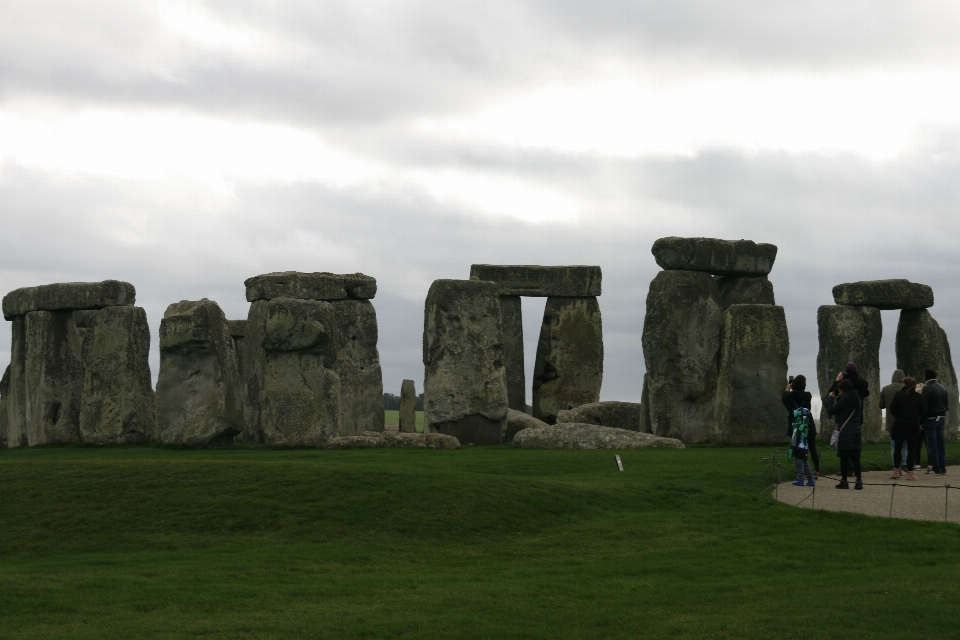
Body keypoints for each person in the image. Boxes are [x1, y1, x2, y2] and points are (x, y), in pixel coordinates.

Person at [824, 378, 863, 489]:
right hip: (856, 431)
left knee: (844, 457)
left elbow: (831, 410)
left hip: (845, 431)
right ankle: (859, 481)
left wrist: (830, 400)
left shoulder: (844, 400)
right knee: (856, 458)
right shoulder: (857, 399)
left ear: (842, 390)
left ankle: (844, 481)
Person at [782, 375, 819, 478]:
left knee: (799, 449)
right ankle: (816, 470)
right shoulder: (808, 395)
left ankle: (802, 473)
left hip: (796, 426)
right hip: (808, 424)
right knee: (812, 448)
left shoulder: (789, 396)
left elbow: (784, 399)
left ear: (793, 384)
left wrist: (787, 389)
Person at [888, 377, 924, 480]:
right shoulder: (918, 397)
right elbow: (922, 411)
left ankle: (896, 470)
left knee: (898, 448)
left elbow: (892, 408)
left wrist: (898, 416)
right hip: (912, 424)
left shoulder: (898, 395)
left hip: (900, 423)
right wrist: (917, 418)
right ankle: (910, 473)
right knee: (911, 449)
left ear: (904, 384)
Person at [921, 369, 949, 475]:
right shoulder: (943, 388)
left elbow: (925, 406)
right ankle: (942, 468)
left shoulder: (927, 388)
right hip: (941, 417)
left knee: (932, 445)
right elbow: (946, 405)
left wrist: (921, 421)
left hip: (931, 418)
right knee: (940, 444)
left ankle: (935, 468)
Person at [879, 369, 907, 467]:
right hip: (905, 420)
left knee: (894, 446)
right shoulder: (907, 388)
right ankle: (905, 463)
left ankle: (896, 467)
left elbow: (881, 405)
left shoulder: (885, 389)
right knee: (907, 445)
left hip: (891, 421)